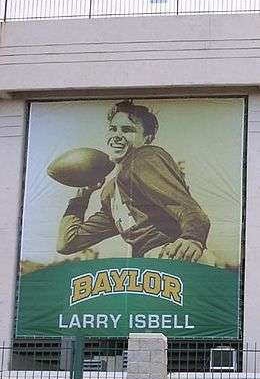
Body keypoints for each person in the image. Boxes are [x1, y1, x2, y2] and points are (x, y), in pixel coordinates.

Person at [57, 100, 210, 262]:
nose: (117, 135)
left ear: (147, 138)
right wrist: (81, 197)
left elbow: (185, 206)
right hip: (153, 264)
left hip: (175, 254)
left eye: (127, 130)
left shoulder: (145, 157)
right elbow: (67, 243)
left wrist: (193, 238)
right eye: (113, 129)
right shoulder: (111, 192)